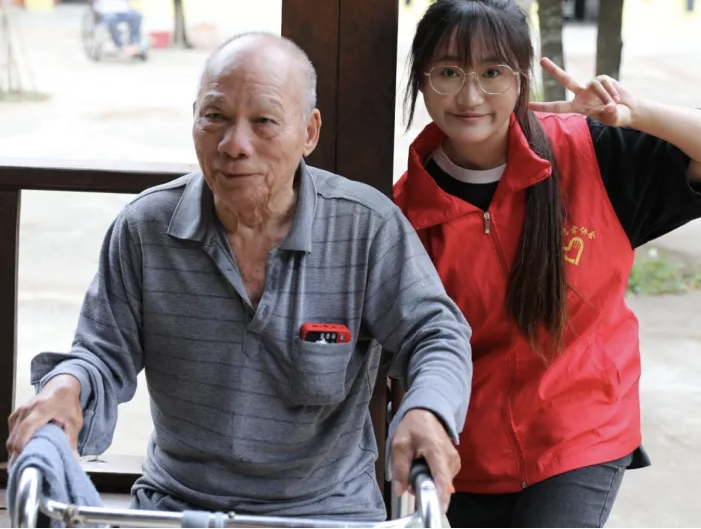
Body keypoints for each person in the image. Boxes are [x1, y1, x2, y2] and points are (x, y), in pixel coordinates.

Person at [6, 32, 473, 521]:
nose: (234, 145)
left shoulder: (365, 227)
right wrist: (65, 388)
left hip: (328, 512)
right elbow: (101, 354)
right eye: (216, 117)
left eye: (264, 121)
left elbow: (435, 333)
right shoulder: (146, 228)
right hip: (180, 507)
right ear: (194, 118)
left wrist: (426, 410)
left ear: (309, 132)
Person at [393, 0, 701, 528]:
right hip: (468, 452)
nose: (470, 95)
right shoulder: (403, 214)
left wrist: (636, 113)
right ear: (421, 80)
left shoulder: (590, 152)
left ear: (522, 78)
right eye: (449, 73)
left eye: (493, 73)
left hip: (580, 434)